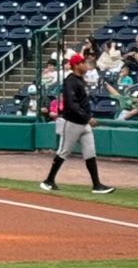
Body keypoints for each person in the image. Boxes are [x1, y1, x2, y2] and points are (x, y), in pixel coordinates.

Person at [40, 54, 116, 194]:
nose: (85, 65)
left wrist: (86, 119)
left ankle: (97, 185)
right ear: (76, 65)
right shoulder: (70, 81)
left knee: (90, 153)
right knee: (63, 152)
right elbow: (72, 105)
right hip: (73, 122)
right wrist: (87, 118)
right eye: (82, 63)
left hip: (83, 124)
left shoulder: (80, 80)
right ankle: (49, 180)